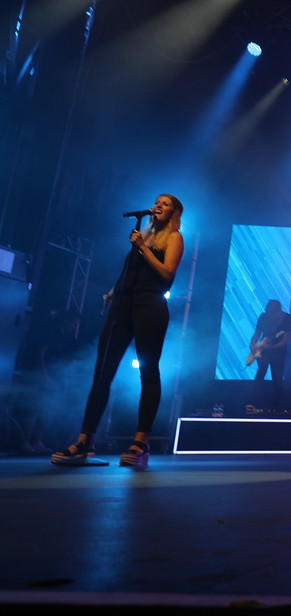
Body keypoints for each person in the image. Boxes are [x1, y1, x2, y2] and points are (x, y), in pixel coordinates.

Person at [51, 194, 185, 468]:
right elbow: (130, 271)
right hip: (123, 305)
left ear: (173, 213)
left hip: (150, 306)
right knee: (101, 374)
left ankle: (141, 441)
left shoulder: (173, 238)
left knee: (148, 373)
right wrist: (113, 292)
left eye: (166, 204)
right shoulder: (143, 234)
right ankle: (85, 441)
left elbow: (167, 274)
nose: (158, 205)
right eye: (157, 201)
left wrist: (143, 249)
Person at [13, 306, 80, 454]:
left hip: (55, 377)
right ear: (66, 320)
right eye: (73, 323)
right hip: (42, 375)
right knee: (35, 409)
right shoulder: (50, 332)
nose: (74, 327)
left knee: (50, 409)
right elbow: (40, 355)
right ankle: (25, 442)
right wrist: (44, 376)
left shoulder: (66, 338)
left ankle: (37, 441)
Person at [247, 299, 291, 412]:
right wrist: (252, 344)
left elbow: (286, 340)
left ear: (279, 311)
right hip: (263, 351)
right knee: (260, 374)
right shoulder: (263, 317)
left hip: (279, 352)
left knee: (277, 378)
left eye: (272, 313)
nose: (269, 316)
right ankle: (252, 404)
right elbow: (257, 333)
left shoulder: (288, 319)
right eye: (268, 313)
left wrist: (272, 347)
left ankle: (275, 407)